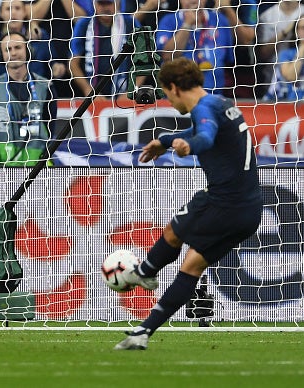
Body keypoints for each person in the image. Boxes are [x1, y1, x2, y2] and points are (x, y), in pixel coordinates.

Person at [114, 58, 261, 350]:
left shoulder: (204, 110)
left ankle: (144, 273)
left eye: (166, 94)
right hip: (249, 211)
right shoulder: (218, 103)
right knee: (191, 267)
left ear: (173, 88)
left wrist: (188, 146)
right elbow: (202, 132)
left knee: (173, 231)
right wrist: (167, 140)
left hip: (223, 203)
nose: (168, 100)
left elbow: (204, 137)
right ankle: (142, 333)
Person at [0, 32, 57, 165]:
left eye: (18, 47)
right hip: (1, 170)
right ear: (1, 56)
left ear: (28, 50)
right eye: (8, 49)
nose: (13, 53)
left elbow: (50, 129)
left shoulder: (45, 87)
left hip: (37, 170)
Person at [155, 0, 234, 94]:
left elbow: (228, 60)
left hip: (213, 94)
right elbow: (167, 56)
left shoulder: (220, 20)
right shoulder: (169, 20)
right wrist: (187, 25)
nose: (192, 0)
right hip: (177, 95)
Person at [69, 0, 136, 100]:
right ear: (94, 4)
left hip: (125, 94)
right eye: (101, 4)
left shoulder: (131, 23)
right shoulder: (84, 24)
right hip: (92, 96)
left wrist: (131, 91)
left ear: (117, 3)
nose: (105, 8)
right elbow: (73, 64)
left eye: (109, 3)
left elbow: (146, 61)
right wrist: (88, 90)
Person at [263, 16, 304, 101]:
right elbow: (291, 76)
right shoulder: (286, 54)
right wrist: (302, 47)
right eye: (302, 28)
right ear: (296, 31)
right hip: (290, 104)